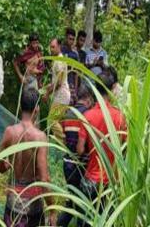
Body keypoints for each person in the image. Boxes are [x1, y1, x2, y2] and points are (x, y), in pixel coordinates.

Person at [0, 88, 56, 226]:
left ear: (21, 107)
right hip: (32, 209)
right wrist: (52, 208)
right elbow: (43, 177)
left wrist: (6, 165)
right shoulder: (39, 137)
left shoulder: (9, 132)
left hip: (12, 205)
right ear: (37, 109)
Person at [76, 70, 127, 227]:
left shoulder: (88, 116)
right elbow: (126, 149)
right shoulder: (120, 117)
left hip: (91, 180)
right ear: (112, 89)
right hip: (112, 183)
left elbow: (79, 149)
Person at [57, 85, 93, 227]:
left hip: (67, 163)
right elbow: (84, 146)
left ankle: (59, 224)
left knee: (72, 201)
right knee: (82, 204)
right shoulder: (87, 115)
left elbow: (65, 136)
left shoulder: (67, 113)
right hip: (81, 165)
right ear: (89, 98)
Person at [44, 38, 70, 141]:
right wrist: (48, 87)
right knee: (58, 122)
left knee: (52, 121)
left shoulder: (59, 61)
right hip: (61, 96)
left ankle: (64, 143)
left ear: (59, 47)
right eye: (50, 47)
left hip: (61, 97)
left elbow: (59, 83)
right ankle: (61, 147)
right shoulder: (58, 59)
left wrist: (47, 93)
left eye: (53, 47)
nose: (51, 49)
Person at [62, 28, 79, 105]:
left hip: (70, 83)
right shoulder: (60, 51)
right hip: (60, 83)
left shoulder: (74, 55)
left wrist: (75, 89)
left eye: (73, 39)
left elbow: (75, 73)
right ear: (66, 37)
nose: (71, 41)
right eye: (69, 39)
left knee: (71, 105)